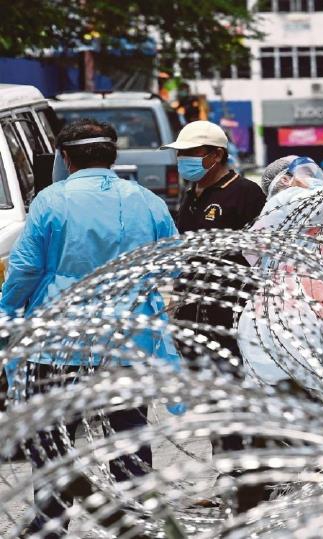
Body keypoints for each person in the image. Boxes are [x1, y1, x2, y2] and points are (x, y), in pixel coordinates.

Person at [0, 118, 178, 536]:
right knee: (129, 432)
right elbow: (172, 260)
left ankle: (51, 521)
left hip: (59, 340)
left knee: (53, 437)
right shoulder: (147, 200)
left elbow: (26, 267)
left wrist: (8, 308)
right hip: (127, 339)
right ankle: (134, 518)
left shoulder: (51, 201)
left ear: (64, 157)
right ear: (113, 154)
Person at [160, 121, 266, 512]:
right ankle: (228, 475)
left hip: (230, 310)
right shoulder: (193, 193)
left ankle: (249, 480)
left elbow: (259, 252)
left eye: (191, 154)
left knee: (235, 396)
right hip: (193, 309)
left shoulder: (245, 194)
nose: (183, 160)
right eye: (181, 154)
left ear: (216, 154)